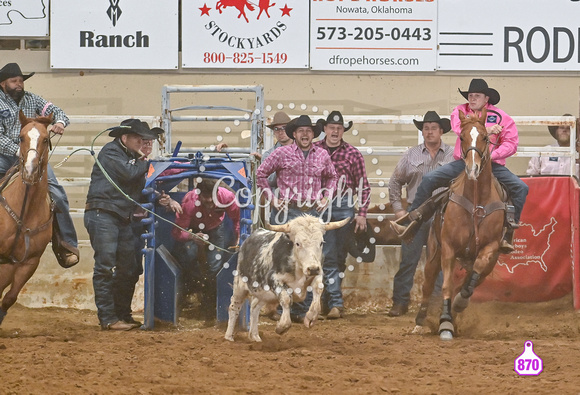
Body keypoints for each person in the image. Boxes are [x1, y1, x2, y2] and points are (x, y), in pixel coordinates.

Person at [390, 79, 529, 254]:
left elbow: (511, 143)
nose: (472, 99)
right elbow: (459, 128)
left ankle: (508, 231)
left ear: (487, 98)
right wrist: (486, 129)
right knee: (429, 179)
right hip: (464, 163)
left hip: (492, 165)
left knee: (521, 188)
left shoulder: (503, 118)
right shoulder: (460, 111)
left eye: (476, 96)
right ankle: (413, 220)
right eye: (470, 96)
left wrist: (491, 155)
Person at [256, 114, 338, 322]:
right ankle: (282, 304)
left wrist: (326, 196)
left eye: (308, 131)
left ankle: (301, 311)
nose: (305, 134)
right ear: (294, 134)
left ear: (313, 134)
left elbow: (332, 177)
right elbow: (261, 174)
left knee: (310, 260)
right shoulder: (281, 153)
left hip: (311, 213)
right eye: (301, 131)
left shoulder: (321, 155)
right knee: (285, 260)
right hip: (288, 212)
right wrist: (272, 198)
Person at [0, 62, 79, 267]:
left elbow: (55, 111)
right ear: (3, 84)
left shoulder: (32, 99)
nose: (19, 85)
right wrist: (20, 151)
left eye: (20, 81)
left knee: (57, 193)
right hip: (4, 155)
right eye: (14, 81)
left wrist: (60, 122)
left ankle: (65, 243)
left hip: (32, 156)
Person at [84, 118, 159, 331]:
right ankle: (108, 318)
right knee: (106, 266)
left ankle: (121, 315)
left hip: (117, 217)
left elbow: (136, 182)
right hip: (103, 214)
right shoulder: (110, 153)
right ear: (125, 138)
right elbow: (129, 174)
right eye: (138, 138)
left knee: (130, 267)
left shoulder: (126, 157)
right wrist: (147, 161)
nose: (142, 142)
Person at [387, 111, 454, 317]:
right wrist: (399, 209)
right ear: (422, 131)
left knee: (442, 261)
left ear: (441, 131)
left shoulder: (452, 155)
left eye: (434, 128)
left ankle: (435, 303)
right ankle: (400, 302)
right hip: (416, 212)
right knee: (409, 259)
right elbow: (395, 182)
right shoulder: (411, 155)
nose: (430, 132)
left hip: (442, 214)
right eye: (426, 128)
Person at [313, 110, 370, 319]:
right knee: (328, 256)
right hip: (319, 205)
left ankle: (327, 303)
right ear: (325, 129)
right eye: (332, 128)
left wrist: (361, 213)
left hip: (343, 205)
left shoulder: (353, 154)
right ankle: (335, 303)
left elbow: (363, 186)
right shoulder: (314, 149)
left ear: (343, 130)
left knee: (337, 256)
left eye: (339, 128)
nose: (335, 131)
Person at [171, 178, 240, 321]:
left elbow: (237, 220)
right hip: (194, 229)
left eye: (212, 199)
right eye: (206, 199)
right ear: (199, 194)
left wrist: (238, 238)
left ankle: (209, 306)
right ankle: (193, 293)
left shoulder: (227, 197)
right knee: (187, 259)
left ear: (217, 193)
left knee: (215, 266)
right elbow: (177, 231)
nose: (209, 203)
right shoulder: (189, 202)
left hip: (216, 228)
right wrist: (191, 236)